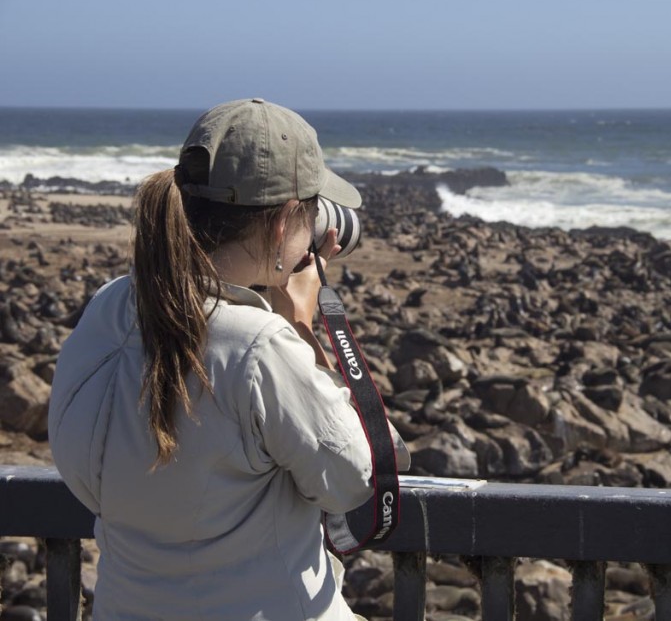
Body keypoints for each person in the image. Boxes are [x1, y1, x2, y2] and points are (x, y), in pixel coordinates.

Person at [48, 98, 407, 620]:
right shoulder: (260, 345)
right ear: (285, 221)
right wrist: (300, 328)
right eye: (311, 211)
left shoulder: (110, 308)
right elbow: (353, 477)